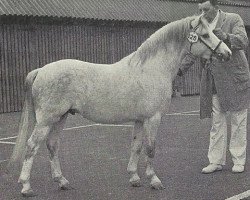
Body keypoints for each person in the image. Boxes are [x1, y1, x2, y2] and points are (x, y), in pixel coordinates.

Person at [195, 0, 250, 174]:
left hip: (235, 78)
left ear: (216, 6)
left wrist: (226, 36)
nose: (203, 13)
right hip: (213, 80)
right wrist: (179, 70)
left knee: (238, 120)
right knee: (217, 122)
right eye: (201, 9)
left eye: (206, 9)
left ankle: (238, 159)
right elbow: (193, 48)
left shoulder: (233, 19)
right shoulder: (199, 24)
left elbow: (243, 41)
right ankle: (216, 161)